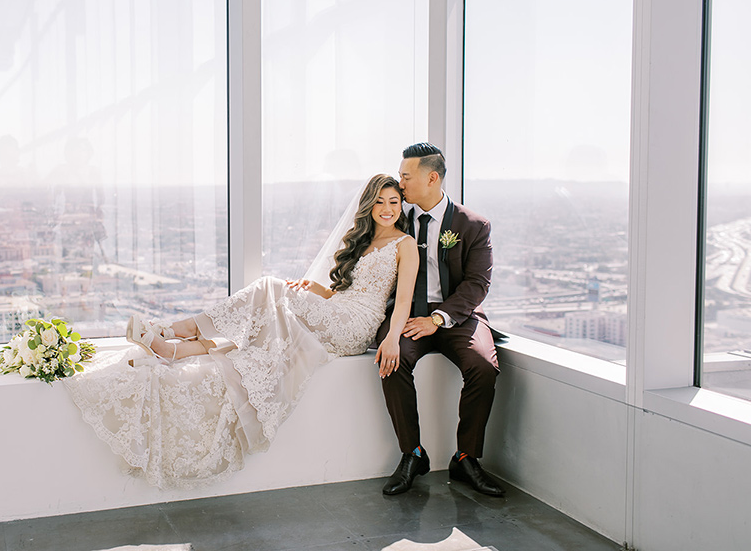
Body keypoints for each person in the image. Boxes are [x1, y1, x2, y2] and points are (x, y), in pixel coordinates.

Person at [64, 174, 419, 488]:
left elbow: (400, 302)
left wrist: (391, 339)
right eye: (379, 202)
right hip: (336, 310)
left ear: (401, 205)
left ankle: (171, 329)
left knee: (269, 287)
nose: (387, 208)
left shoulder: (405, 245)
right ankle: (174, 348)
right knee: (262, 316)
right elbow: (342, 291)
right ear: (369, 206)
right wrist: (315, 288)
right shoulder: (363, 240)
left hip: (355, 328)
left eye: (393, 201)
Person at [374, 143, 505, 497]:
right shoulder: (396, 216)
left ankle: (466, 458)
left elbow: (478, 284)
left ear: (432, 178)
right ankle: (412, 453)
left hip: (456, 317)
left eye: (406, 176)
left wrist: (438, 318)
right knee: (391, 359)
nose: (399, 185)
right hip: (407, 315)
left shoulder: (473, 225)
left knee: (483, 366)